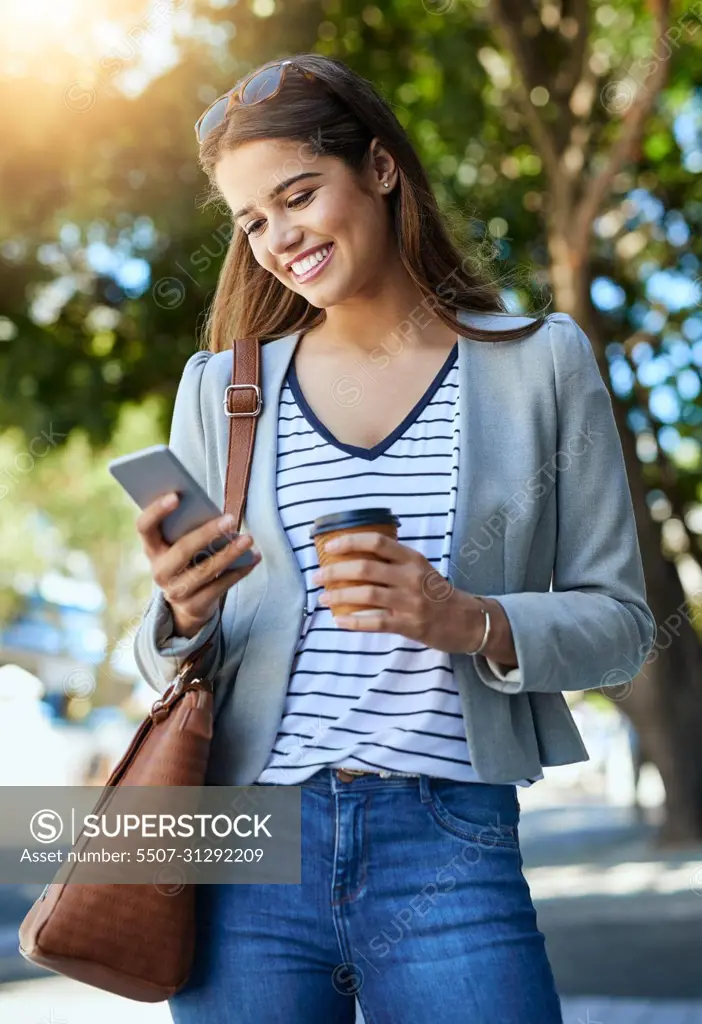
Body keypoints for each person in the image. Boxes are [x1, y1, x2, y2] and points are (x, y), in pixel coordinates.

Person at [132, 53, 656, 1024]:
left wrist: (470, 620)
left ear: (380, 168)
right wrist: (178, 607)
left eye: (298, 195)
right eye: (253, 222)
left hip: (447, 835)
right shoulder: (224, 388)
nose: (280, 240)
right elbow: (153, 653)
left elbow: (621, 624)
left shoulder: (539, 363)